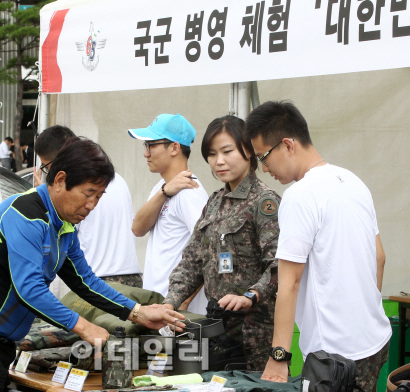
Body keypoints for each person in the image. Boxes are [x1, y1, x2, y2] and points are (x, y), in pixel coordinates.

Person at [0, 137, 184, 392]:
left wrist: (138, 312)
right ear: (61, 180)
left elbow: (86, 281)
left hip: (0, 342)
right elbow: (29, 289)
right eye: (88, 193)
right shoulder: (26, 214)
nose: (91, 205)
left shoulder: (64, 227)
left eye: (99, 197)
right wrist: (85, 327)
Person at [246, 101, 391, 391]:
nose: (264, 168)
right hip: (375, 339)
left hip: (334, 354)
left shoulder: (300, 196)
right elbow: (379, 258)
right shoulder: (354, 181)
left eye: (263, 157)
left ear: (288, 144)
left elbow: (290, 283)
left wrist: (279, 357)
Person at [162, 115, 280, 371]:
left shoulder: (264, 202)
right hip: (217, 327)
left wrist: (251, 295)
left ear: (248, 151)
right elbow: (192, 262)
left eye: (227, 151)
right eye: (212, 154)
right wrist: (169, 304)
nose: (219, 161)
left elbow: (279, 264)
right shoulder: (214, 203)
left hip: (255, 330)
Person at [33, 125, 143, 287]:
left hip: (96, 282)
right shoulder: (116, 178)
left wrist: (49, 197)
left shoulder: (72, 188)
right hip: (131, 277)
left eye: (46, 167)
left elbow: (57, 240)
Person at [128, 113, 209, 313]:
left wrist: (183, 301)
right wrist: (164, 192)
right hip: (160, 306)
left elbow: (211, 250)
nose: (146, 153)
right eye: (145, 146)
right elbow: (137, 228)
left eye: (151, 145)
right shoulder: (162, 187)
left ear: (174, 148)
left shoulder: (190, 192)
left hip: (177, 313)